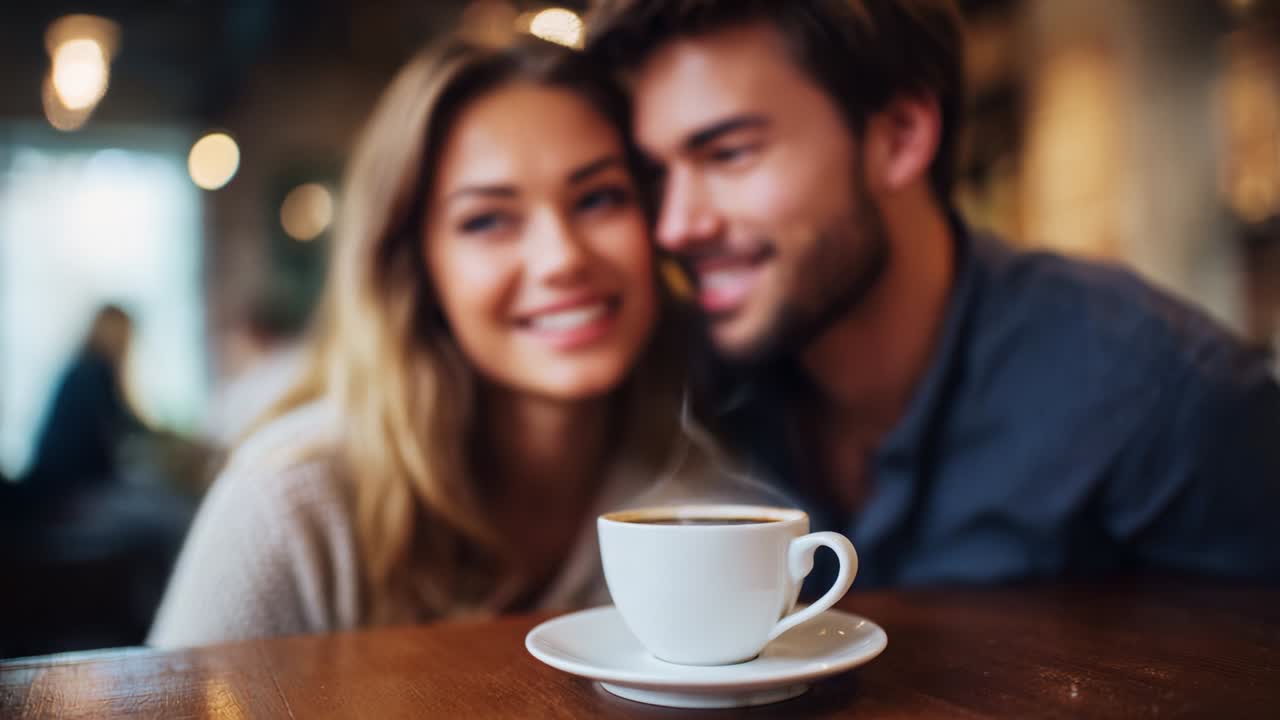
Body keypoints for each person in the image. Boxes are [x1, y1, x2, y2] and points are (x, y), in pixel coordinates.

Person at [586, 0, 1280, 589]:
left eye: (729, 152)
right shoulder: (692, 385)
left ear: (900, 135)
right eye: (658, 174)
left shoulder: (1158, 396)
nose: (676, 225)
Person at [148, 34, 696, 648]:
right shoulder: (294, 508)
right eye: (487, 219)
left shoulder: (707, 493)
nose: (562, 259)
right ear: (414, 266)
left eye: (599, 198)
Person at [25, 304, 143, 490]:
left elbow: (128, 423)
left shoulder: (85, 370)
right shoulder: (93, 373)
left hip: (55, 483)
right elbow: (104, 442)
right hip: (64, 490)